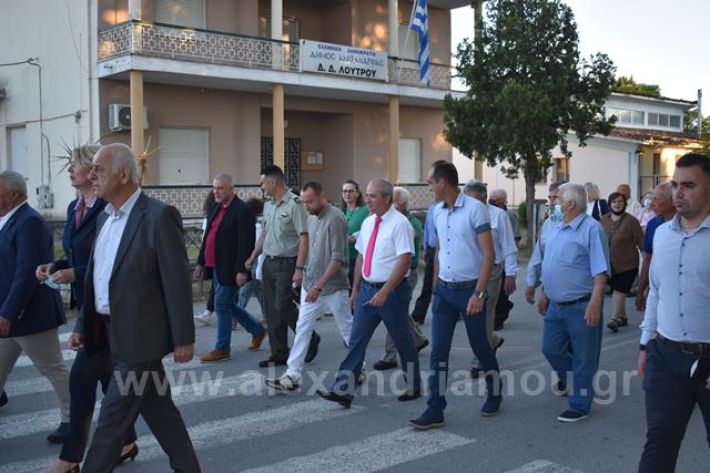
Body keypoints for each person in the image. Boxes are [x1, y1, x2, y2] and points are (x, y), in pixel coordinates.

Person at [79, 143, 200, 473]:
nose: (92, 176)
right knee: (161, 413)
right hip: (107, 333)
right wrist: (81, 325)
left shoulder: (157, 216)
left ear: (123, 174)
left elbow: (176, 282)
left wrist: (183, 338)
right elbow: (97, 277)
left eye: (99, 170)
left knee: (110, 421)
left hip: (140, 338)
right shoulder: (104, 218)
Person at [36, 146, 137, 473]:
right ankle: (127, 441)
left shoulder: (108, 209)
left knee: (82, 383)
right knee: (113, 385)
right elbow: (79, 253)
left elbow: (111, 261)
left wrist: (76, 272)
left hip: (108, 311)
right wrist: (54, 265)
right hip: (90, 309)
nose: (71, 172)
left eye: (75, 166)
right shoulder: (74, 207)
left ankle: (70, 459)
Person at [409, 161, 500, 430]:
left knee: (480, 346)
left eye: (429, 181)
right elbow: (438, 252)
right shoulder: (436, 211)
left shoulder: (475, 209)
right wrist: (436, 286)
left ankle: (494, 391)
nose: (427, 186)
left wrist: (480, 294)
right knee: (439, 351)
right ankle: (435, 408)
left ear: (442, 182)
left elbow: (489, 255)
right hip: (445, 292)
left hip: (471, 290)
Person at [317, 178, 421, 408]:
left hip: (392, 292)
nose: (369, 199)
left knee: (402, 339)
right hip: (366, 290)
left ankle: (414, 385)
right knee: (357, 340)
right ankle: (343, 390)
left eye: (373, 196)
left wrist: (385, 291)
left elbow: (404, 261)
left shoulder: (400, 224)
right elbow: (362, 257)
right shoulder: (368, 222)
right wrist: (354, 289)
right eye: (368, 194)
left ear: (387, 198)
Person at [637, 153, 710, 473]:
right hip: (665, 356)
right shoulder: (662, 234)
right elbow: (657, 291)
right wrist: (644, 344)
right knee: (660, 442)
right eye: (676, 185)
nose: (678, 193)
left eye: (689, 185)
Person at [0, 171, 71, 445]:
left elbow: (26, 272)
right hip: (9, 314)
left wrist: (8, 312)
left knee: (53, 368)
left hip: (29, 315)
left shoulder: (29, 222)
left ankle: (72, 419)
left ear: (14, 195)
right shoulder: (8, 220)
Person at [265, 181, 353, 392]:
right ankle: (292, 375)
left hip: (333, 287)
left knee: (348, 330)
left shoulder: (336, 219)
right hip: (310, 283)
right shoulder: (309, 216)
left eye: (310, 201)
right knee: (303, 328)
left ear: (322, 197)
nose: (306, 206)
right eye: (304, 202)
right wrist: (300, 271)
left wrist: (319, 287)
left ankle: (359, 368)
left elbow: (337, 259)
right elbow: (305, 246)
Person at [533, 183, 609, 422]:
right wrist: (545, 292)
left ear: (571, 204)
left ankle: (580, 404)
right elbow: (551, 265)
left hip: (581, 305)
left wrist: (595, 303)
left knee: (585, 357)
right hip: (556, 305)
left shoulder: (592, 230)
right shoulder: (555, 228)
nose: (553, 203)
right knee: (551, 349)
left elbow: (600, 271)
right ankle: (578, 382)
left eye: (557, 200)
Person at [246, 165, 319, 368]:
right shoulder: (268, 205)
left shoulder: (295, 204)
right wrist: (253, 256)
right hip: (269, 262)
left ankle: (310, 337)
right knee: (272, 310)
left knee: (282, 304)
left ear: (273, 182)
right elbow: (265, 234)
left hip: (288, 263)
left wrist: (299, 268)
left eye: (263, 182)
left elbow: (304, 238)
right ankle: (279, 353)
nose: (261, 187)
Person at [196, 174, 267, 363]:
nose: (216, 192)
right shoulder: (215, 207)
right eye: (214, 188)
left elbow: (246, 242)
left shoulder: (242, 210)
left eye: (220, 188)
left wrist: (243, 270)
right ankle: (257, 330)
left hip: (231, 267)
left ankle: (222, 348)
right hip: (215, 265)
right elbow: (208, 236)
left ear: (231, 189)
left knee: (221, 304)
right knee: (227, 304)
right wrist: (201, 262)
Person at [463, 180, 517, 378]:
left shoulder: (499, 216)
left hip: (493, 271)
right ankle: (491, 340)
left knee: (484, 314)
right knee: (472, 316)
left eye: (476, 199)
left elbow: (509, 246)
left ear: (485, 198)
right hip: (470, 271)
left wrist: (510, 274)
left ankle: (479, 359)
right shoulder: (465, 214)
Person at [373, 186, 429, 371]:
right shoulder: (386, 220)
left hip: (405, 274)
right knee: (398, 312)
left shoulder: (410, 224)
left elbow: (403, 255)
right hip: (388, 274)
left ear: (403, 205)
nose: (388, 205)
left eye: (393, 202)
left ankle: (390, 356)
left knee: (392, 314)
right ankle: (418, 339)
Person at [600, 192, 644, 333]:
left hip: (628, 264)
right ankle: (623, 317)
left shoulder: (632, 221)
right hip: (609, 264)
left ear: (625, 204)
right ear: (610, 204)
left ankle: (614, 319)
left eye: (620, 202)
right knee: (618, 291)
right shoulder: (603, 221)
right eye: (614, 202)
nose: (617, 204)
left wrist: (647, 264)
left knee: (619, 291)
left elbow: (642, 244)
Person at [635, 182, 675, 312]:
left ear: (671, 201)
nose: (652, 204)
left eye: (656, 199)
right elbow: (648, 259)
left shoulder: (689, 225)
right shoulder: (653, 224)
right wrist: (641, 291)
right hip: (657, 291)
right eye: (651, 198)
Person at [525, 181, 565, 305]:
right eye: (550, 198)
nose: (552, 203)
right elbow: (538, 255)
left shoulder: (589, 227)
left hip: (576, 295)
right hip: (550, 289)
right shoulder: (548, 224)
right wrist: (531, 283)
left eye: (556, 198)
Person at [488, 188, 519, 330]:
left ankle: (499, 318)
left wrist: (511, 267)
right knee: (499, 294)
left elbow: (513, 240)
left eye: (495, 198)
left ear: (502, 201)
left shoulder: (508, 216)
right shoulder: (487, 214)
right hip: (493, 261)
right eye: (491, 197)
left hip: (503, 260)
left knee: (501, 294)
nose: (492, 200)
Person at [237, 197, 266, 321]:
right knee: (258, 290)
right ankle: (267, 314)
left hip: (253, 261)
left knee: (246, 289)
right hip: (253, 260)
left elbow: (258, 247)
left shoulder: (256, 226)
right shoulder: (255, 224)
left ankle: (236, 316)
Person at [410, 201, 438, 325]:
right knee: (427, 282)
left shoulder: (448, 207)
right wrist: (426, 247)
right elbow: (427, 228)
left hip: (444, 250)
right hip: (431, 249)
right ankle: (418, 315)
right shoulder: (432, 207)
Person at [340, 179, 369, 287]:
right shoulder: (340, 212)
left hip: (358, 258)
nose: (347, 194)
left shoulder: (366, 210)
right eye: (344, 191)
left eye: (350, 191)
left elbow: (370, 229)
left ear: (357, 193)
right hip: (343, 259)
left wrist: (357, 236)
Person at [194, 190, 217, 326]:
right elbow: (205, 239)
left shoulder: (209, 216)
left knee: (222, 293)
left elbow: (204, 239)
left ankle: (209, 312)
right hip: (212, 257)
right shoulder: (210, 217)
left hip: (214, 257)